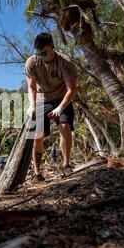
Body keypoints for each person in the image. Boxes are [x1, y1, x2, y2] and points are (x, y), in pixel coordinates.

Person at [25, 32, 77, 181]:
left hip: (62, 98)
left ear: (51, 47)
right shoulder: (32, 62)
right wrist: (32, 105)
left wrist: (60, 108)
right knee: (37, 135)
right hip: (42, 99)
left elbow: (71, 90)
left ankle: (66, 165)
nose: (40, 56)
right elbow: (31, 87)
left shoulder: (65, 62)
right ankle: (37, 173)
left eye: (44, 53)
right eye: (38, 53)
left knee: (65, 127)